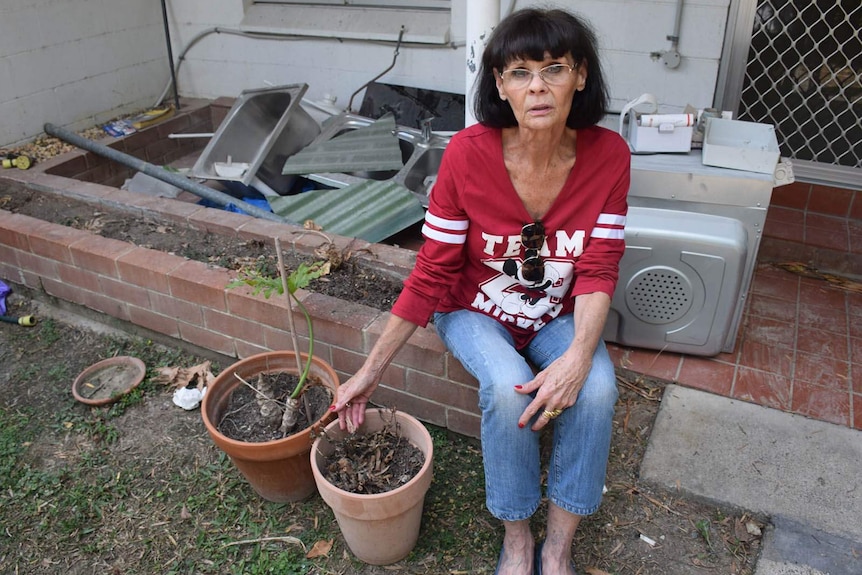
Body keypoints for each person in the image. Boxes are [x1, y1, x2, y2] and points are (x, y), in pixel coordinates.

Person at [330, 8, 629, 575]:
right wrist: (370, 370)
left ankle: (559, 545)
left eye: (554, 68)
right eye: (519, 72)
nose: (537, 86)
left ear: (581, 76)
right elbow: (432, 273)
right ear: (499, 85)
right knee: (506, 387)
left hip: (559, 312)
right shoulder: (467, 155)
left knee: (593, 389)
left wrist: (580, 355)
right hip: (472, 310)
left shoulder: (609, 156)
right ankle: (517, 538)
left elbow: (597, 266)